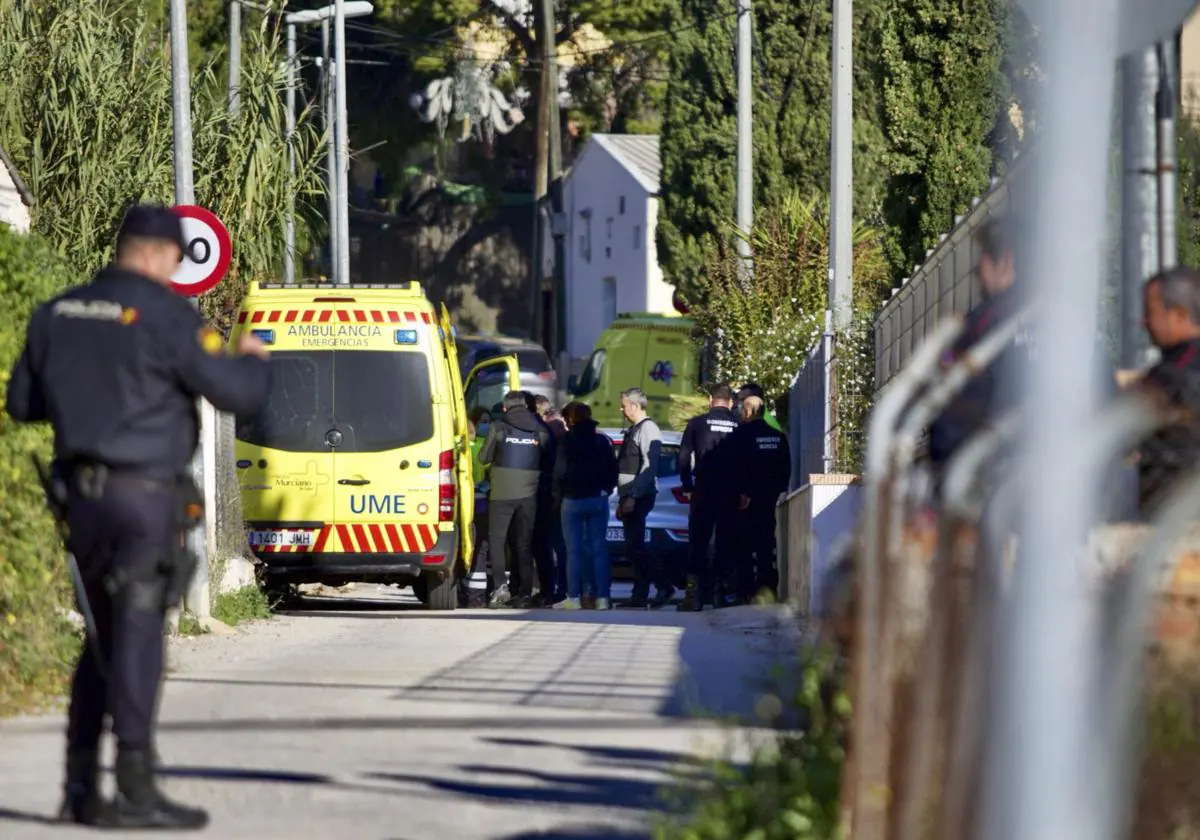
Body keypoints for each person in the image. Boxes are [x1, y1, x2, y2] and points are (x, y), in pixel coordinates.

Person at [4, 204, 272, 830]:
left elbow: (22, 403)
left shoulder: (58, 312)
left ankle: (78, 785)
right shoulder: (169, 316)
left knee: (101, 639)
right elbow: (236, 395)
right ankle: (135, 784)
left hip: (80, 503)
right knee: (140, 634)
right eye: (176, 261)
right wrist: (254, 358)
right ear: (154, 254)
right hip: (143, 499)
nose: (176, 271)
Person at [1132, 267, 1200, 515]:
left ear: (1180, 316)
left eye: (1151, 312)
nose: (1144, 322)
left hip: (1176, 519)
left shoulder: (1174, 373)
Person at [478, 390, 551, 609]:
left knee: (497, 541)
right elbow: (549, 460)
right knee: (524, 543)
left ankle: (501, 587)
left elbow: (483, 458)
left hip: (501, 493)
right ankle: (525, 593)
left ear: (504, 408)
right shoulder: (540, 429)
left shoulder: (499, 427)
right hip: (530, 494)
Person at [677, 383, 739, 611]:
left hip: (703, 488)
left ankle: (694, 596)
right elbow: (746, 462)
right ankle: (720, 595)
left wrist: (687, 485)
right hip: (730, 490)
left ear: (710, 401)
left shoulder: (696, 423)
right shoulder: (738, 425)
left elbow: (683, 458)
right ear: (730, 402)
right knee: (726, 540)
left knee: (698, 541)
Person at [552, 401, 619, 610]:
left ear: (571, 419)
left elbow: (559, 472)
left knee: (574, 551)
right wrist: (606, 489)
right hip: (597, 499)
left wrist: (557, 496)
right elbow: (613, 470)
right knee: (599, 549)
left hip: (572, 500)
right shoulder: (602, 441)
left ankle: (574, 597)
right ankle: (602, 598)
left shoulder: (566, 441)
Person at [725, 393, 791, 603]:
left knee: (743, 545)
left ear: (748, 411)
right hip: (769, 499)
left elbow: (735, 467)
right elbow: (785, 468)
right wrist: (776, 490)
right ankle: (767, 587)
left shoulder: (740, 434)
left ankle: (746, 590)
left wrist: (743, 493)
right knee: (766, 544)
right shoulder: (777, 436)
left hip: (746, 500)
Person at [615, 387, 673, 608]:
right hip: (629, 495)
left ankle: (663, 585)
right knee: (633, 546)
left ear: (636, 406)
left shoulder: (648, 429)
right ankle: (639, 595)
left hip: (639, 495)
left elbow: (649, 467)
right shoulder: (635, 429)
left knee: (636, 546)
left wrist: (632, 495)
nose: (622, 409)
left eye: (624, 405)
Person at [531, 394, 568, 605]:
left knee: (558, 548)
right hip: (556, 501)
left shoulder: (557, 443)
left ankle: (559, 589)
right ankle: (556, 588)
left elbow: (556, 476)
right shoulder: (557, 440)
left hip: (556, 503)